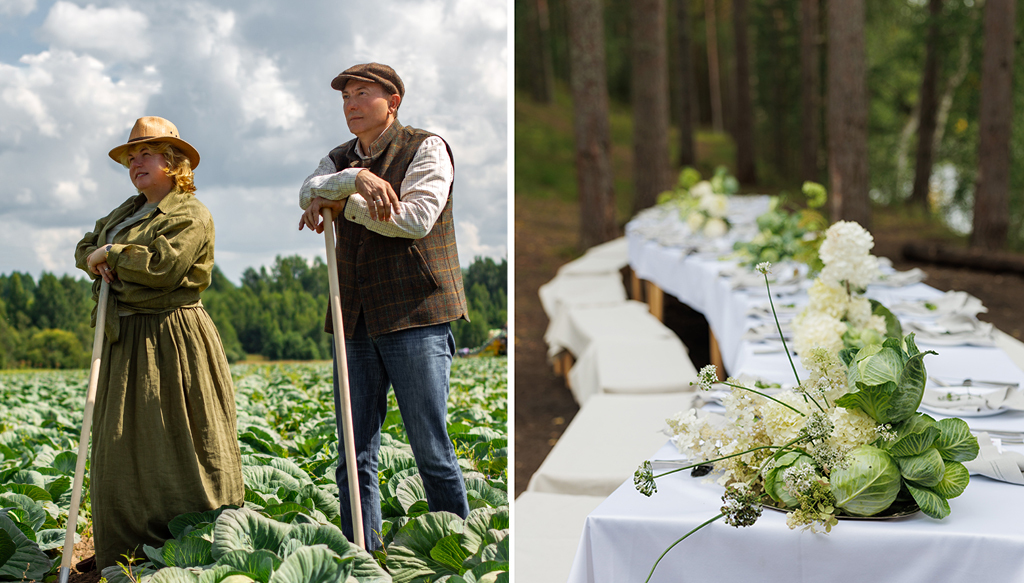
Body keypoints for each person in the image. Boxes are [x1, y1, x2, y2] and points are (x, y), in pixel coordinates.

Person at [298, 62, 470, 549]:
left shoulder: (427, 148)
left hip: (416, 315)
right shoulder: (339, 157)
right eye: (345, 97)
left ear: (392, 102)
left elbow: (414, 219)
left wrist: (340, 201)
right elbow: (306, 190)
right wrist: (353, 178)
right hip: (352, 316)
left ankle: (456, 553)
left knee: (431, 449)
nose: (350, 104)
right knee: (353, 453)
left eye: (362, 94)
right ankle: (363, 556)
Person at [74, 116, 244, 569]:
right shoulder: (122, 213)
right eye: (132, 157)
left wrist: (111, 256)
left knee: (184, 437)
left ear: (173, 162)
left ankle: (199, 541)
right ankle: (127, 551)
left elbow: (163, 268)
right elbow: (84, 247)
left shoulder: (190, 212)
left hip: (172, 336)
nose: (136, 163)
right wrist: (98, 257)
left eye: (146, 154)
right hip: (121, 337)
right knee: (120, 442)